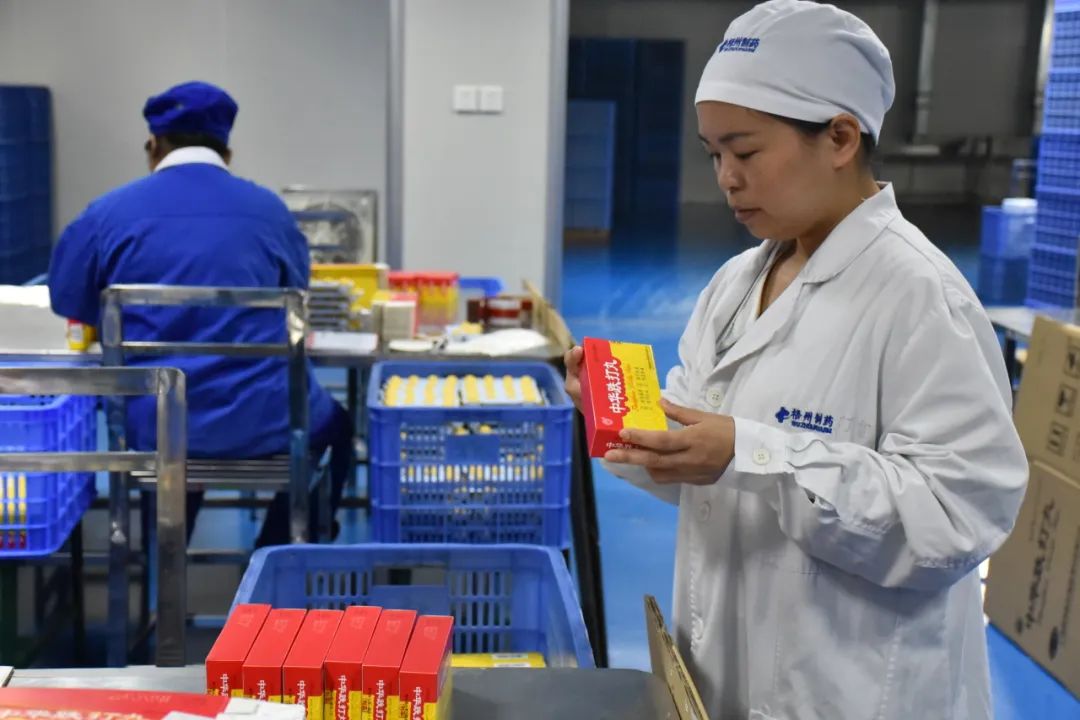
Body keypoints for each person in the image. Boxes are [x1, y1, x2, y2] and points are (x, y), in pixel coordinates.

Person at [564, 2, 1027, 718]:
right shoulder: (734, 285)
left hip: (853, 691)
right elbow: (703, 470)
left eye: (745, 152)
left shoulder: (919, 297)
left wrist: (756, 455)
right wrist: (623, 419)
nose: (726, 178)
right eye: (713, 154)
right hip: (726, 669)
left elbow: (955, 517)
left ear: (840, 137)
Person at [48, 81, 350, 547]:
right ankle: (273, 561)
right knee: (339, 429)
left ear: (153, 146)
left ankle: (165, 557)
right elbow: (296, 295)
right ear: (227, 152)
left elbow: (68, 300)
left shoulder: (107, 213)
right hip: (263, 419)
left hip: (156, 424)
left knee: (174, 435)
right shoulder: (270, 212)